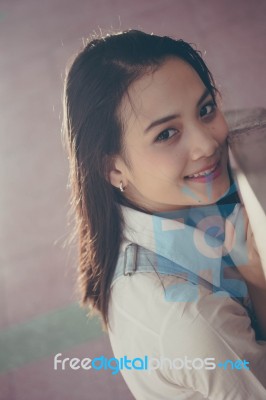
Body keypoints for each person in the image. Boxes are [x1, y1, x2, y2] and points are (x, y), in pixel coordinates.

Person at [62, 30, 266, 399]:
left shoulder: (154, 209)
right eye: (166, 134)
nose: (208, 143)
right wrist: (258, 287)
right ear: (113, 168)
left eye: (205, 110)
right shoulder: (195, 318)